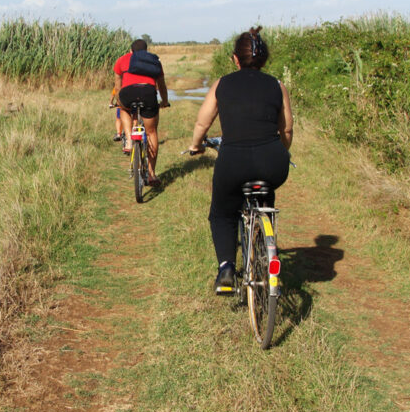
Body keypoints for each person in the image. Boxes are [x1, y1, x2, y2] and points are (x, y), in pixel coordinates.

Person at [188, 26, 293, 294]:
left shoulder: (222, 84)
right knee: (266, 195)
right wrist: (281, 150)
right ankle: (268, 247)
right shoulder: (277, 86)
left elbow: (203, 122)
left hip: (233, 161)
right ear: (264, 59)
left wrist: (195, 145)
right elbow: (287, 130)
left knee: (222, 212)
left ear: (235, 58)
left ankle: (226, 268)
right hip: (273, 161)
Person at [113, 39, 170, 186]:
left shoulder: (122, 60)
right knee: (151, 132)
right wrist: (164, 101)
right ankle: (151, 174)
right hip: (148, 93)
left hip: (127, 93)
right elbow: (161, 86)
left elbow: (117, 87)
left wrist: (118, 101)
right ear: (146, 50)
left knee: (123, 108)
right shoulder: (154, 60)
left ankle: (130, 139)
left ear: (131, 51)